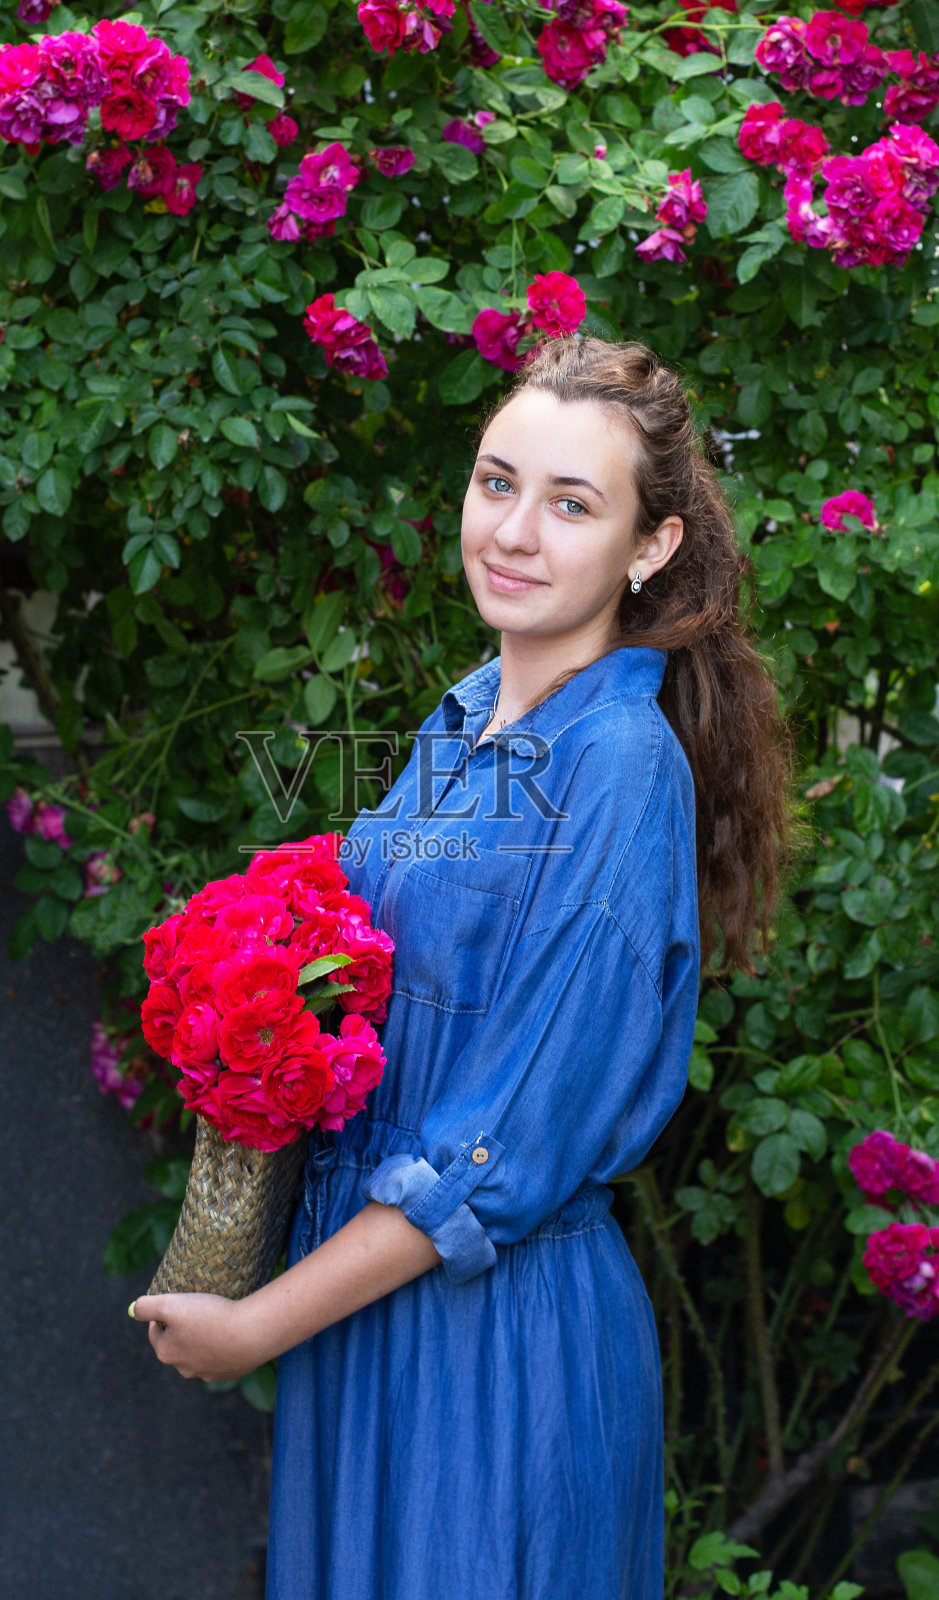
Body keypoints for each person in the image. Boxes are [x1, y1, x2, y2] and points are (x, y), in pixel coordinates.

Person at [130, 335, 794, 1597]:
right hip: (365, 1323)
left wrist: (255, 1326)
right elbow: (375, 977)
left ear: (648, 548)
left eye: (570, 502)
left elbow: (508, 1142)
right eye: (496, 483)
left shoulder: (615, 765)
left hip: (492, 1345)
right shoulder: (463, 711)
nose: (515, 531)